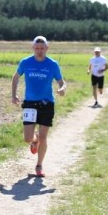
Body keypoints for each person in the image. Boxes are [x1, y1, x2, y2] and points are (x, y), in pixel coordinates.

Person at [11, 35, 67, 178]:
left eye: (42, 48)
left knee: (44, 137)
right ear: (33, 48)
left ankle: (39, 165)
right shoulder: (26, 62)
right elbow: (16, 77)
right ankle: (34, 141)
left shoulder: (52, 64)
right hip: (30, 104)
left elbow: (61, 81)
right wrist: (14, 95)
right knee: (28, 138)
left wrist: (62, 89)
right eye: (37, 48)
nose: (39, 51)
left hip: (47, 104)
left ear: (47, 48)